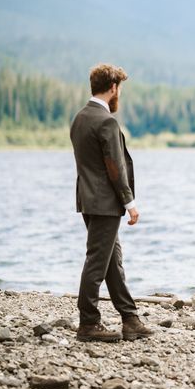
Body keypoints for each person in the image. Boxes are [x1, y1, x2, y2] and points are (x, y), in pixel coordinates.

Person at [70, 64, 152, 342]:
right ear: (114, 88)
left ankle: (130, 319)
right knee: (97, 261)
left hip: (88, 199)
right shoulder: (106, 121)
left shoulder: (80, 118)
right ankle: (88, 323)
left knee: (111, 261)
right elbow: (114, 166)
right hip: (105, 203)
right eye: (120, 88)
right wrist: (130, 203)